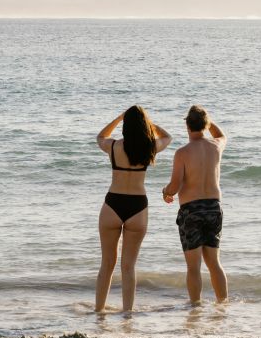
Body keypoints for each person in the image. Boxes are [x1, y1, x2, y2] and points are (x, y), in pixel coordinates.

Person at [95, 105, 172, 313]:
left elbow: (100, 136)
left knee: (107, 265)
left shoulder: (113, 147)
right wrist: (149, 125)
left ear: (125, 126)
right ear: (143, 126)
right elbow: (168, 137)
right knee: (128, 267)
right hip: (137, 206)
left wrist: (118, 118)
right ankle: (127, 314)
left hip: (113, 204)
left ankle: (99, 312)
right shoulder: (149, 147)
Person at [162, 104, 228, 302]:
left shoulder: (182, 153)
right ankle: (222, 304)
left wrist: (165, 192)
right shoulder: (216, 146)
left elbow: (174, 186)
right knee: (214, 263)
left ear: (187, 126)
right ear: (205, 125)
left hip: (191, 211)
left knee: (193, 266)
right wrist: (207, 122)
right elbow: (221, 134)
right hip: (213, 208)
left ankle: (195, 307)